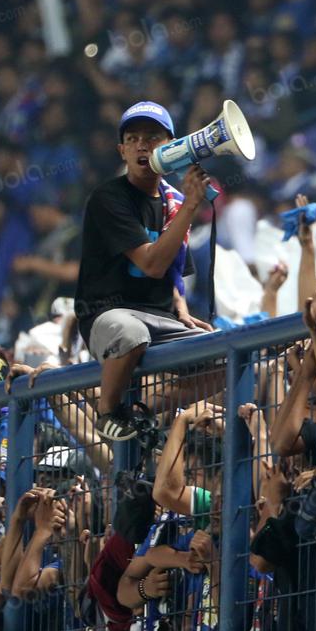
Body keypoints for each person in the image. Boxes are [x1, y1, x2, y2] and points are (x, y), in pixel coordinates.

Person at [72, 101, 214, 441]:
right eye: (133, 138)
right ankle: (108, 413)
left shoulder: (175, 201)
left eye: (152, 137)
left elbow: (173, 271)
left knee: (223, 353)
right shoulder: (108, 198)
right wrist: (192, 205)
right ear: (122, 150)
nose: (142, 145)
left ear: (171, 147)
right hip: (107, 313)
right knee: (131, 334)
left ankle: (144, 408)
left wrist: (181, 308)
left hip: (160, 318)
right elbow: (152, 264)